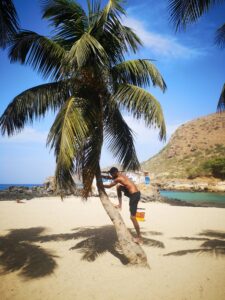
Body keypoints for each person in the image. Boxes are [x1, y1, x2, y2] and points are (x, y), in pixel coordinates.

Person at [102, 167, 142, 244]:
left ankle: (140, 238)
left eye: (112, 174)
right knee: (119, 187)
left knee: (133, 217)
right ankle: (120, 205)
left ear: (115, 173)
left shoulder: (118, 179)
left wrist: (100, 185)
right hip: (134, 194)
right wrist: (103, 176)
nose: (111, 176)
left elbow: (110, 186)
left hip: (134, 195)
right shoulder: (122, 175)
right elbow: (111, 178)